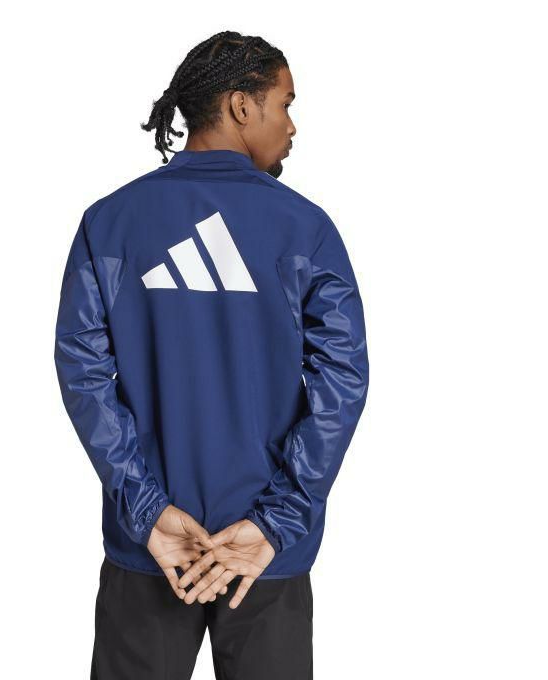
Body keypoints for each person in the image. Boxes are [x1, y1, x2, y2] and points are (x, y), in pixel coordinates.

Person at [54, 29, 369, 680]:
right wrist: (279, 519)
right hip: (262, 555)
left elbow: (84, 375)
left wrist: (147, 511)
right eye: (285, 104)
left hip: (155, 546)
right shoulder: (305, 228)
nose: (292, 125)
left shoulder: (110, 222)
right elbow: (341, 381)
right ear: (241, 106)